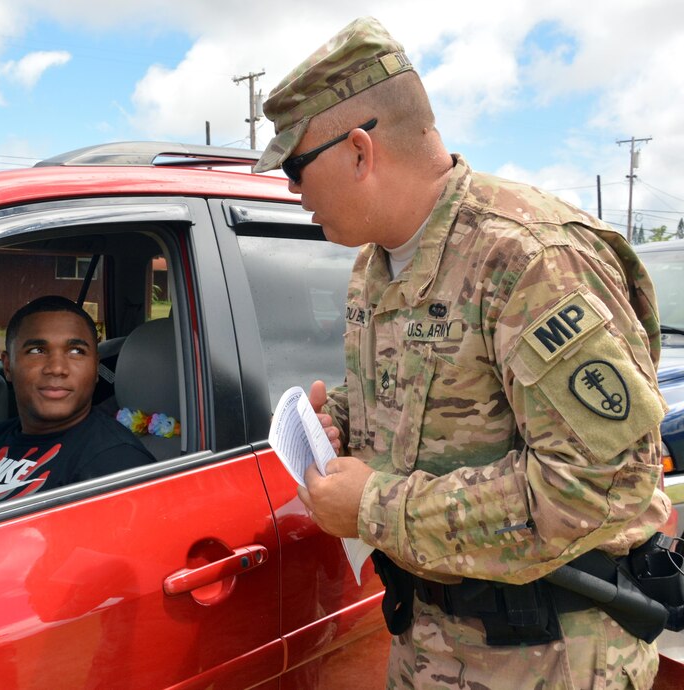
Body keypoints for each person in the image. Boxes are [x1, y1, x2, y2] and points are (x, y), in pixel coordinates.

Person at [254, 16, 672, 689]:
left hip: (553, 660)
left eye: (296, 167)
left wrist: (374, 507)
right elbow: (426, 429)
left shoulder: (529, 257)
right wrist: (346, 439)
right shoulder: (375, 267)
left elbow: (602, 483)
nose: (292, 190)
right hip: (430, 646)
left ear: (360, 150)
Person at [0, 295, 154, 511]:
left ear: (96, 368)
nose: (57, 368)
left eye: (76, 351)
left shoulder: (116, 464)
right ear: (8, 366)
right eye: (37, 351)